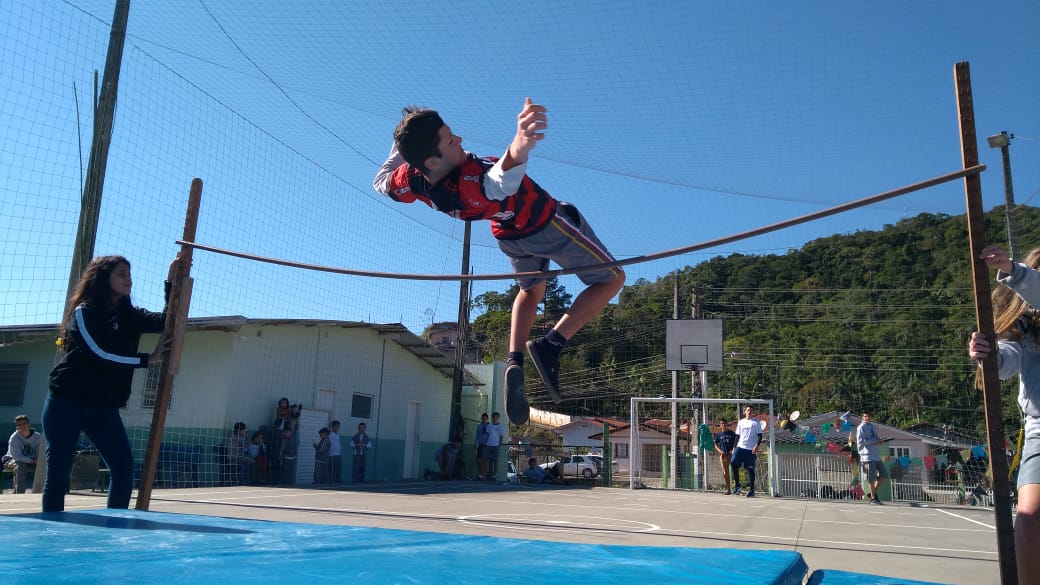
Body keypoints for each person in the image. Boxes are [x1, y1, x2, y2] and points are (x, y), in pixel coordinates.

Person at [373, 99, 626, 426]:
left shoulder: (412, 178)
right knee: (613, 278)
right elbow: (500, 181)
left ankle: (514, 358)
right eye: (451, 140)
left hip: (508, 232)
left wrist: (398, 146)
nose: (460, 139)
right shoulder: (472, 182)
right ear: (433, 160)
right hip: (544, 223)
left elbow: (381, 181)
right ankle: (551, 344)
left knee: (532, 291)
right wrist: (521, 143)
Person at [42, 254, 175, 512]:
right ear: (104, 278)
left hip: (103, 408)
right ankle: (50, 533)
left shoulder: (131, 315)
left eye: (129, 273)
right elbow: (98, 353)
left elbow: (166, 321)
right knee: (59, 473)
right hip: (65, 402)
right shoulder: (84, 312)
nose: (129, 278)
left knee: (123, 467)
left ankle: (114, 528)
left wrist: (172, 283)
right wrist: (148, 359)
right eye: (121, 274)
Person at [970, 244, 1040, 584]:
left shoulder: (1026, 281)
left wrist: (1015, 271)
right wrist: (990, 355)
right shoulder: (1026, 326)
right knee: (1028, 524)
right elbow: (1008, 359)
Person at [4, 415, 45, 494]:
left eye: (24, 423)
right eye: (19, 425)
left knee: (43, 465)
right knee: (20, 466)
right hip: (11, 459)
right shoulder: (14, 438)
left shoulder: (38, 437)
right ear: (16, 427)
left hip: (32, 460)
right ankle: (20, 493)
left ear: (29, 425)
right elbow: (16, 456)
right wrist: (32, 460)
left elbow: (40, 453)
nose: (22, 426)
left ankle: (40, 492)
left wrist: (38, 461)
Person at [855, 411, 888, 505]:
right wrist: (874, 441)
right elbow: (861, 441)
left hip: (876, 455)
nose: (868, 417)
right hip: (867, 456)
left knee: (883, 475)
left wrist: (879, 440)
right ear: (862, 417)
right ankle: (873, 498)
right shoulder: (861, 427)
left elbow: (876, 437)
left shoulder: (872, 426)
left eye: (869, 416)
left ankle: (871, 494)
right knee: (871, 478)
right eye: (865, 416)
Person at [732, 405, 762, 497]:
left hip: (750, 449)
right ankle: (737, 485)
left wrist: (756, 446)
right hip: (740, 447)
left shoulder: (756, 423)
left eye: (751, 410)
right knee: (733, 462)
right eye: (748, 410)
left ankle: (752, 490)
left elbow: (760, 435)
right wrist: (734, 447)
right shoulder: (741, 422)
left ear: (753, 412)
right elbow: (737, 435)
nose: (749, 412)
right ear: (745, 411)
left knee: (750, 469)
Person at [224, 422, 254, 486]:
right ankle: (244, 483)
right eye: (244, 430)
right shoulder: (239, 439)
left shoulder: (232, 437)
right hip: (236, 460)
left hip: (233, 460)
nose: (246, 431)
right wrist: (246, 437)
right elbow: (246, 448)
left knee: (249, 461)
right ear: (240, 431)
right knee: (253, 462)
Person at [713, 419, 737, 494]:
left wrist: (733, 450)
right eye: (722, 423)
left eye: (724, 423)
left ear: (727, 424)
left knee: (735, 471)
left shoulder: (732, 433)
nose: (723, 425)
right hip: (723, 455)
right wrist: (719, 451)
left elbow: (736, 443)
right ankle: (728, 489)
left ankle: (737, 488)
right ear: (720, 425)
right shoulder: (719, 434)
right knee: (725, 472)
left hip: (731, 455)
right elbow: (715, 444)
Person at [485, 412, 506, 480]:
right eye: (494, 417)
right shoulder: (489, 425)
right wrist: (485, 443)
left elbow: (501, 437)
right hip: (488, 445)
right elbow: (487, 435)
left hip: (496, 445)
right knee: (485, 459)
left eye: (496, 417)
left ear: (498, 418)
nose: (495, 418)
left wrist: (499, 445)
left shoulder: (501, 427)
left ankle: (494, 475)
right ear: (492, 417)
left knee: (495, 460)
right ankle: (483, 474)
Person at [474, 413, 490, 480]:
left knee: (485, 461)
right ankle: (480, 473)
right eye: (483, 418)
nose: (484, 419)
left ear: (487, 419)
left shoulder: (489, 426)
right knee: (478, 460)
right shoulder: (479, 426)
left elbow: (491, 435)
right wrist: (475, 443)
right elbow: (476, 435)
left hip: (487, 445)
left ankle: (483, 475)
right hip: (480, 444)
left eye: (485, 418)